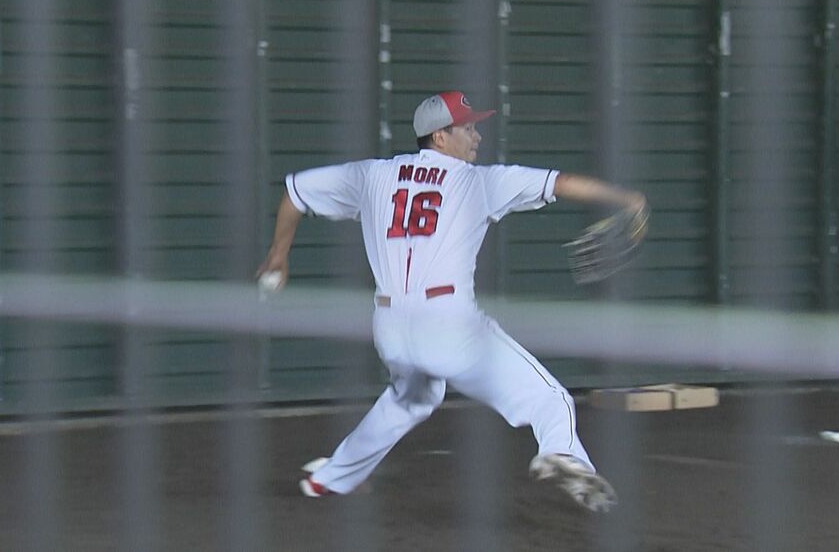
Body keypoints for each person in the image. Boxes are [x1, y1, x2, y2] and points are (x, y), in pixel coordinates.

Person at [257, 91, 647, 512]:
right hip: (448, 325)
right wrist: (629, 200)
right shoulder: (479, 182)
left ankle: (328, 479)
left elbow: (295, 192)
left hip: (391, 324)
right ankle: (565, 456)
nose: (476, 136)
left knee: (410, 400)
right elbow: (563, 183)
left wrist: (278, 255)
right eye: (467, 128)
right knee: (549, 398)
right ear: (440, 137)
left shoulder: (373, 175)